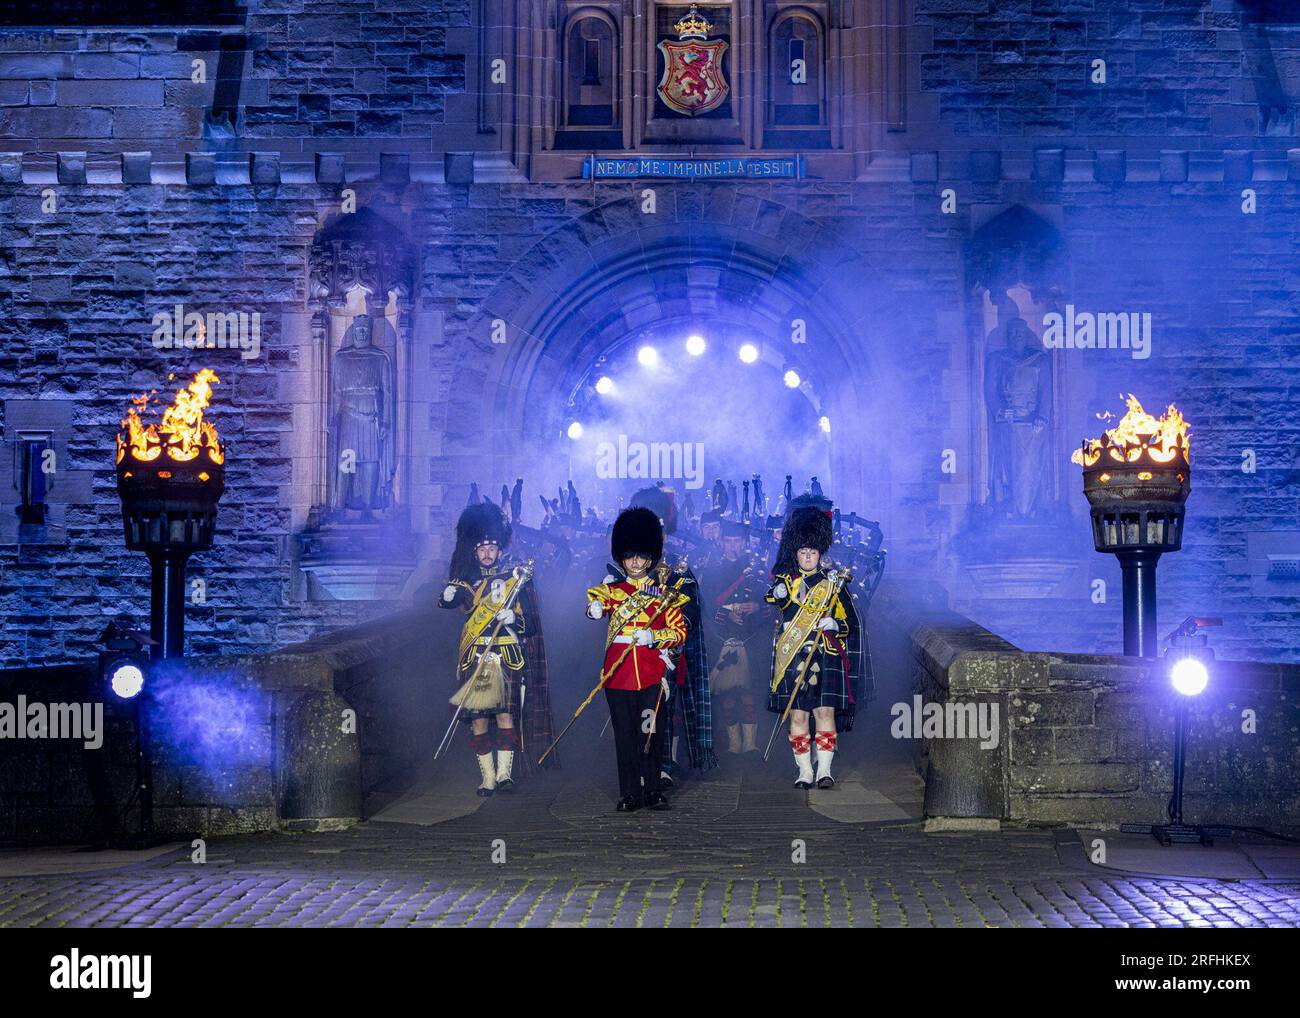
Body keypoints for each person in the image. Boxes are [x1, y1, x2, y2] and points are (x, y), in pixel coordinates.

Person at [440, 501, 555, 796]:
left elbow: (531, 623)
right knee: (479, 721)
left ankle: (505, 775)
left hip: (507, 657)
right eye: (482, 548)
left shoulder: (515, 579)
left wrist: (514, 617)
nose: (488, 553)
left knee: (506, 716)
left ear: (500, 550)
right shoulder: (466, 582)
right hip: (477, 655)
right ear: (474, 551)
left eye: (492, 548)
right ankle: (487, 778)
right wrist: (447, 595)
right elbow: (449, 603)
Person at [586, 507, 689, 812]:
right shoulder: (611, 591)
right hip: (617, 676)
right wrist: (593, 609)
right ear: (621, 556)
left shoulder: (662, 595)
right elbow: (596, 604)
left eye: (640, 555)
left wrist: (654, 638)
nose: (634, 561)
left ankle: (653, 790)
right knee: (625, 736)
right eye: (629, 555)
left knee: (650, 733)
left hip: (649, 673)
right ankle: (630, 792)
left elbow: (679, 631)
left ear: (650, 557)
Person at [765, 500, 862, 789]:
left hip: (825, 655)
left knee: (824, 713)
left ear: (820, 554)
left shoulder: (833, 585)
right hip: (792, 656)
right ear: (796, 554)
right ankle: (804, 771)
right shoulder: (786, 582)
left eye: (812, 552)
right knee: (797, 715)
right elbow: (772, 601)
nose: (808, 557)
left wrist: (834, 625)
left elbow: (851, 624)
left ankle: (825, 770)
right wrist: (779, 594)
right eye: (803, 552)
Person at [703, 519, 766, 756]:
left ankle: (750, 743)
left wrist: (756, 607)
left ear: (744, 542)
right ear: (721, 542)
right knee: (727, 694)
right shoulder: (712, 571)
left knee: (750, 692)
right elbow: (707, 605)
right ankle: (733, 743)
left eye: (737, 541)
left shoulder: (758, 569)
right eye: (728, 541)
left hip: (752, 637)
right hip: (723, 637)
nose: (732, 546)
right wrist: (726, 614)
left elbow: (771, 603)